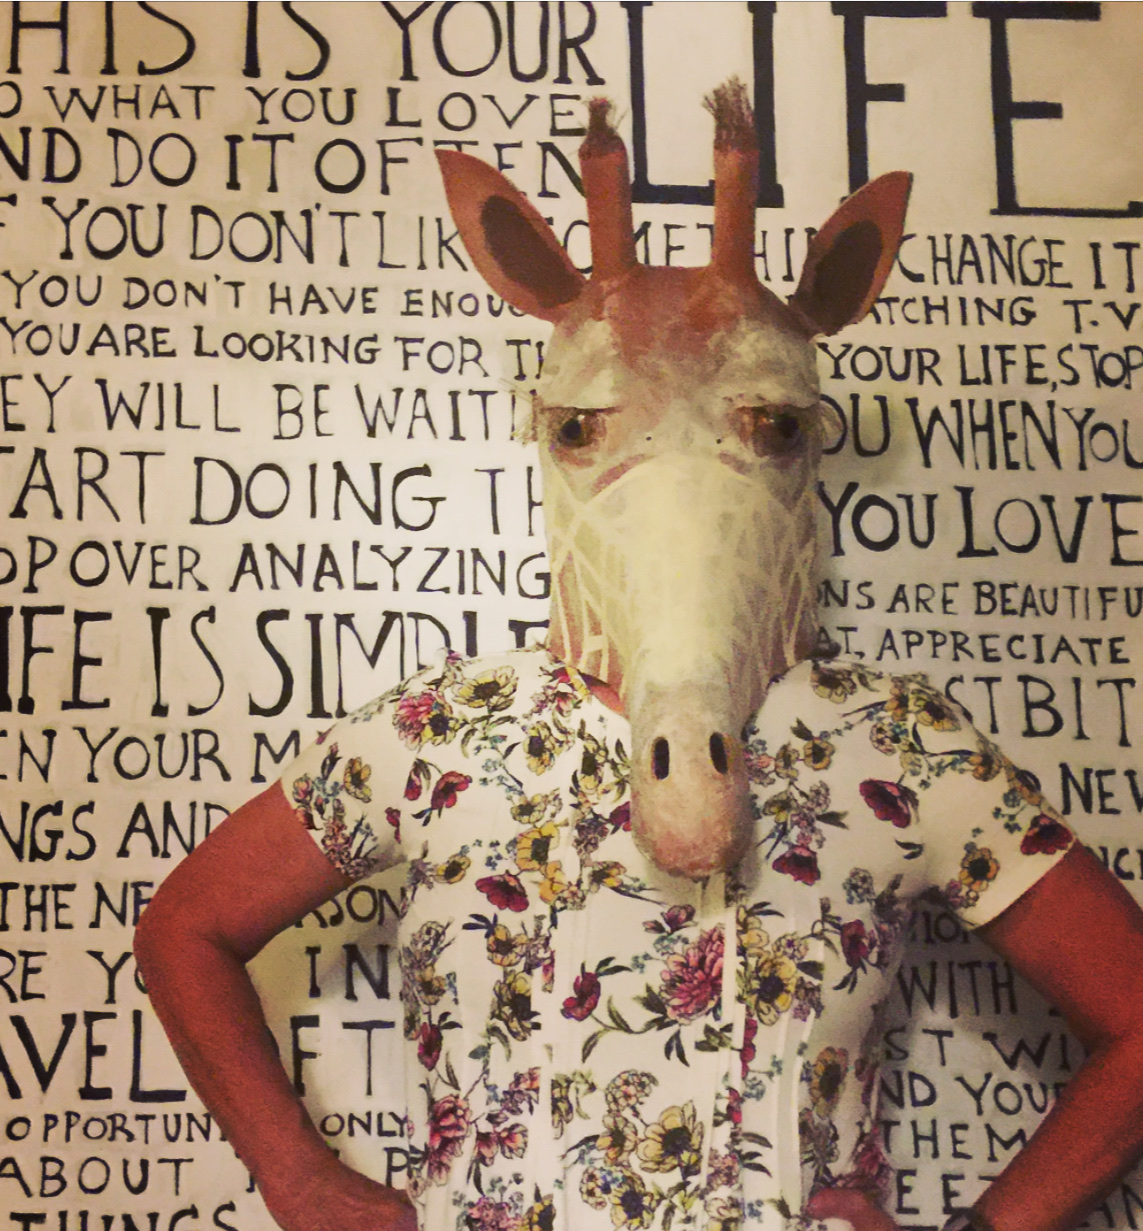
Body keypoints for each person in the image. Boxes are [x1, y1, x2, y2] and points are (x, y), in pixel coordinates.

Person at [134, 89, 1143, 1231]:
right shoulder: (442, 733)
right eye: (593, 428)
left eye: (763, 428)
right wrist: (300, 1178)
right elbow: (186, 926)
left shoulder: (896, 745)